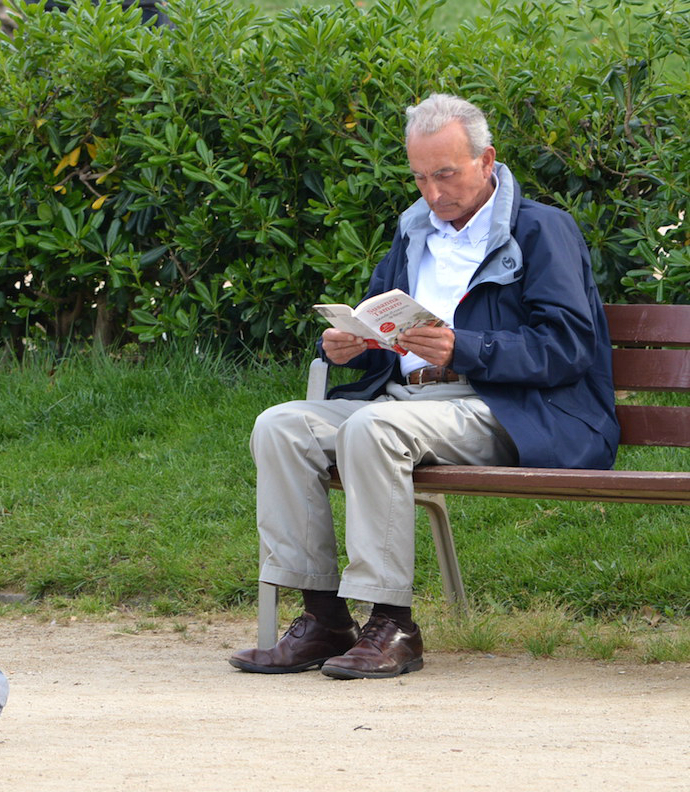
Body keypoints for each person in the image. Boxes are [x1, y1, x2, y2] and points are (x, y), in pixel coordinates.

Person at [229, 93, 620, 680]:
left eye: (446, 174)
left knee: (374, 426)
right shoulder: (412, 233)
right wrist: (346, 344)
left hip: (505, 408)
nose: (434, 193)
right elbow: (381, 322)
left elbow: (569, 346)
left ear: (487, 162)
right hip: (409, 402)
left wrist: (467, 347)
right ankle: (324, 618)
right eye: (420, 177)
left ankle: (393, 625)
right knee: (280, 425)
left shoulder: (542, 230)